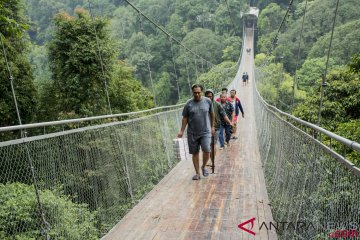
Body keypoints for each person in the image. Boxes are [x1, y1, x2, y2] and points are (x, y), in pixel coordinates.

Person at [178, 84, 215, 180]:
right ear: (192, 92)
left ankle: (203, 166)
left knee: (207, 150)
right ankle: (197, 173)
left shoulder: (208, 101)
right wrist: (182, 130)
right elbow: (185, 117)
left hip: (205, 131)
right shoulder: (188, 104)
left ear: (202, 92)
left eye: (199, 92)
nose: (197, 94)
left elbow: (212, 114)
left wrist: (212, 126)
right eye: (195, 93)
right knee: (195, 153)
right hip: (192, 132)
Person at [204, 89, 233, 162]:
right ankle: (208, 160)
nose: (209, 98)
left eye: (210, 96)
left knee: (212, 144)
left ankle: (212, 161)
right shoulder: (202, 104)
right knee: (207, 146)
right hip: (205, 128)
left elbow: (224, 115)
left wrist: (230, 122)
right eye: (207, 96)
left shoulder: (217, 104)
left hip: (216, 127)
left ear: (213, 96)